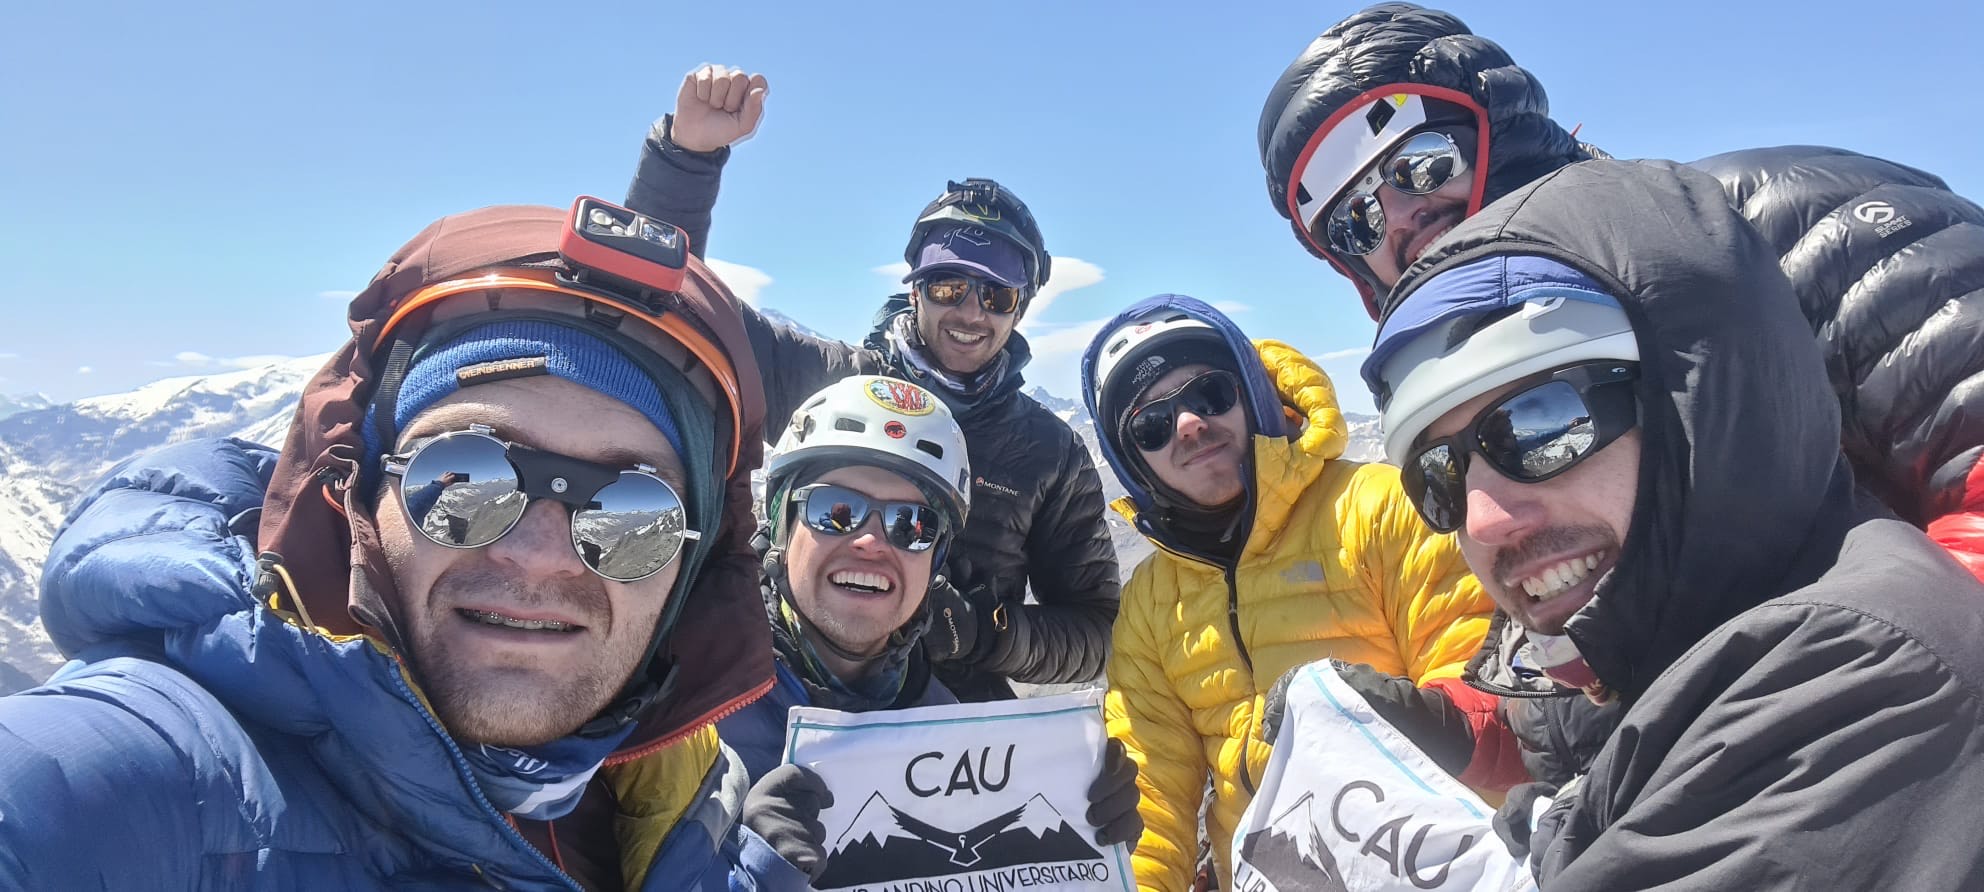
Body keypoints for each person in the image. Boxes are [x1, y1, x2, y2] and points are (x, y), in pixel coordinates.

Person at [0, 201, 817, 889]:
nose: (540, 555)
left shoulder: (665, 793)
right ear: (359, 494)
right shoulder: (149, 787)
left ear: (687, 566)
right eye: (465, 480)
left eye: (631, 512)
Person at [1364, 159, 1984, 889]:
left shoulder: (1861, 679)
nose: (1485, 518)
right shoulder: (1678, 656)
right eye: (1438, 477)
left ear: (1700, 402)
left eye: (1540, 425)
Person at [1257, 2, 1984, 582]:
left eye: (1419, 164)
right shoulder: (1494, 392)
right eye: (1355, 220)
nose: (1399, 216)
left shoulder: (1765, 223)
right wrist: (1469, 712)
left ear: (1497, 132)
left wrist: (1875, 666)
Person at [623, 65, 1121, 702]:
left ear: (1020, 309)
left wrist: (983, 634)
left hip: (949, 727)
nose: (971, 313)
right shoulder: (835, 385)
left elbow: (1096, 633)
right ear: (915, 290)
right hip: (788, 690)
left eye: (997, 296)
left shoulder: (1050, 453)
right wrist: (686, 160)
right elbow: (673, 313)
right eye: (948, 287)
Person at [1077, 295, 1507, 890]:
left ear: (1253, 393)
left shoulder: (1379, 508)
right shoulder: (1152, 599)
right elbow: (1151, 795)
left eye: (1209, 394)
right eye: (1151, 425)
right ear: (1134, 463)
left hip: (1419, 869)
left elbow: (1483, 702)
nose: (1189, 424)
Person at [721, 375, 1144, 882]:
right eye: (835, 511)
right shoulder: (684, 715)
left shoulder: (948, 727)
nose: (871, 543)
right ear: (782, 525)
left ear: (936, 560)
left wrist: (1079, 850)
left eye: (912, 525)